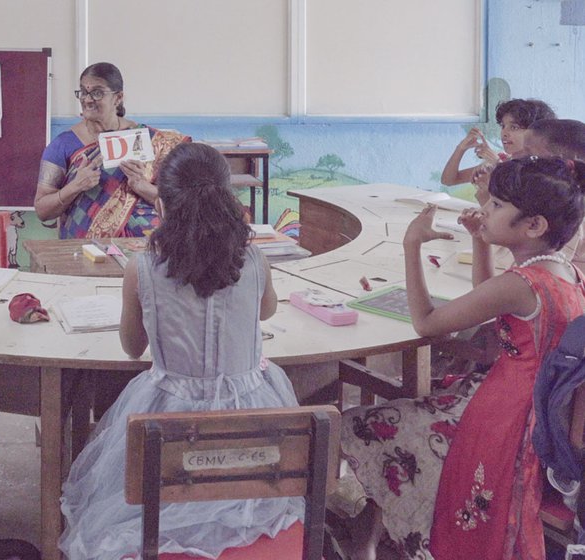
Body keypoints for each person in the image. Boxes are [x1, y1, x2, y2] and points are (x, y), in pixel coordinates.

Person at [59, 143, 301, 559]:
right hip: (251, 421)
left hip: (169, 424)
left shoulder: (142, 269)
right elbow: (268, 310)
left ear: (162, 203)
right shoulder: (254, 259)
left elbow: (133, 348)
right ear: (227, 196)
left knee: (112, 499)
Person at [341, 157, 585, 560]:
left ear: (534, 225)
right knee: (493, 516)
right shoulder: (562, 273)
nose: (484, 210)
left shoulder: (521, 283)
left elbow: (427, 323)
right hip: (536, 413)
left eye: (497, 205)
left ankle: (370, 536)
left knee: (479, 513)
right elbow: (492, 296)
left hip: (506, 418)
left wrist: (411, 244)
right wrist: (479, 239)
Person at [34, 62, 189, 239]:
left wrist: (140, 185)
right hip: (85, 254)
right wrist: (75, 187)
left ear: (118, 98)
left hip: (144, 249)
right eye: (84, 92)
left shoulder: (147, 140)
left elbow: (180, 203)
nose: (87, 99)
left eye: (97, 93)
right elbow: (42, 210)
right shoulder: (63, 145)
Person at [440, 98, 555, 187]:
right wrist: (460, 149)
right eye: (503, 126)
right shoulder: (504, 159)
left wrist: (498, 164)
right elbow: (449, 180)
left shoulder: (541, 169)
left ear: (536, 133)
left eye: (514, 127)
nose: (504, 133)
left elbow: (519, 200)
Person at [526, 118, 585, 269]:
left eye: (531, 157)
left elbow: (534, 266)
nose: (523, 163)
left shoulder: (569, 214)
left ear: (567, 166)